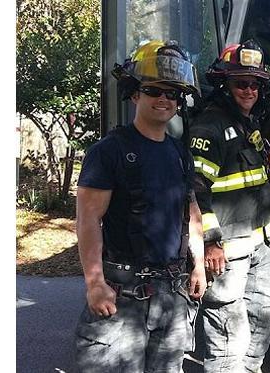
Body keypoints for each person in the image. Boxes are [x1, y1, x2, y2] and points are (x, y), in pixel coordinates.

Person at [72, 40, 207, 373]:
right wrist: (95, 284)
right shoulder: (109, 152)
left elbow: (190, 212)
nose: (163, 99)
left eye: (172, 93)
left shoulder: (180, 153)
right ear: (135, 94)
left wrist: (199, 264)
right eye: (154, 90)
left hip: (173, 296)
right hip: (123, 295)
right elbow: (88, 219)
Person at [187, 40, 270, 373]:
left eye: (255, 84)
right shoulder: (208, 127)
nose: (249, 89)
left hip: (257, 242)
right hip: (227, 247)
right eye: (241, 82)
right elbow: (196, 191)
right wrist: (211, 242)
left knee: (266, 315)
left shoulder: (247, 123)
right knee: (228, 336)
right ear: (224, 85)